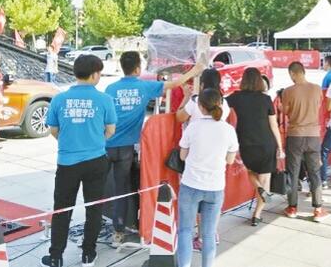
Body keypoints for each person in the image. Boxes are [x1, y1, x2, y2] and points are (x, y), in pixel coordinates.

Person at [105, 52, 204, 245]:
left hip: (106, 145)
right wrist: (196, 70)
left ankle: (101, 226)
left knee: (104, 189)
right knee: (122, 188)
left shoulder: (110, 88)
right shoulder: (144, 87)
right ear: (137, 69)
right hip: (126, 148)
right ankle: (119, 231)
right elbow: (174, 84)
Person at [41, 55, 117, 267]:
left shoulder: (59, 99)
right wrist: (95, 141)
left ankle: (56, 256)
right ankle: (88, 254)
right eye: (99, 73)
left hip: (67, 163)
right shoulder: (104, 99)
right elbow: (110, 130)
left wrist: (69, 142)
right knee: (94, 208)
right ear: (94, 74)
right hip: (96, 161)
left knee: (62, 209)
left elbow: (53, 129)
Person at [178, 89, 239, 267]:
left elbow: (182, 156)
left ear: (200, 106)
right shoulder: (228, 130)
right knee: (209, 234)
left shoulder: (193, 127)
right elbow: (230, 160)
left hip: (190, 185)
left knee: (185, 231)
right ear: (220, 104)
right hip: (215, 187)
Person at [226, 68, 283, 226]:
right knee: (265, 179)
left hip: (246, 142)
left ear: (243, 80)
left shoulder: (236, 97)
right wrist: (280, 147)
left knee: (250, 171)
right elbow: (274, 125)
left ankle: (259, 188)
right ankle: (257, 215)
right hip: (267, 143)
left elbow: (219, 103)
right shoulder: (266, 99)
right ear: (259, 81)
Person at [282, 62, 328, 222]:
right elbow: (318, 106)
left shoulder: (288, 91)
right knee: (314, 172)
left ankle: (292, 207)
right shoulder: (316, 89)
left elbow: (286, 111)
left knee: (293, 172)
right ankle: (318, 209)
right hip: (313, 135)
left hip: (295, 135)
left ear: (292, 73)